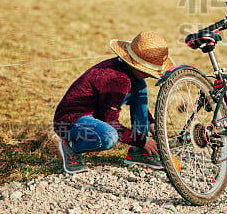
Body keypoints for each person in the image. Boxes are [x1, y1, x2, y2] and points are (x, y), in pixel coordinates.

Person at [53, 30, 174, 174]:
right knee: (109, 137)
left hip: (96, 114)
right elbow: (110, 122)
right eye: (147, 71)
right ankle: (71, 146)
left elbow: (140, 106)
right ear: (135, 65)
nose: (149, 75)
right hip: (71, 120)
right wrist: (142, 140)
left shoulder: (132, 77)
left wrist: (152, 124)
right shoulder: (118, 79)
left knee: (140, 87)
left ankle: (138, 153)